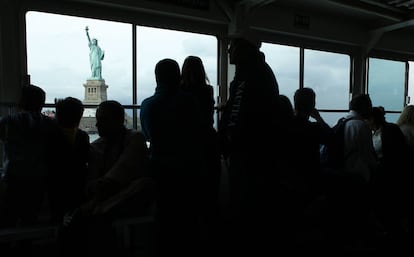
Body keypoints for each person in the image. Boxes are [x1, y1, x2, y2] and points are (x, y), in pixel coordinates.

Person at [59, 100, 153, 257]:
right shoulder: (98, 146)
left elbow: (120, 173)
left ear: (117, 121)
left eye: (102, 120)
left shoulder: (134, 139)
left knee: (142, 185)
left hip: (119, 198)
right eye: (98, 119)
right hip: (107, 200)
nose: (97, 124)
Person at [217, 33, 280, 255]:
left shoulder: (247, 75)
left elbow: (237, 111)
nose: (227, 52)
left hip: (248, 149)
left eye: (231, 49)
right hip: (260, 147)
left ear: (241, 51)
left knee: (245, 198)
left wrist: (227, 138)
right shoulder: (261, 71)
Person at [140, 58, 205, 257]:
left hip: (160, 166)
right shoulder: (189, 102)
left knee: (164, 216)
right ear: (177, 77)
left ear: (157, 77)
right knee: (188, 217)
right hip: (189, 166)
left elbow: (148, 135)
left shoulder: (147, 105)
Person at [0, 84, 60, 254]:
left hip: (13, 175)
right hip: (38, 178)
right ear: (41, 104)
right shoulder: (49, 125)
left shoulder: (8, 121)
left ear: (21, 102)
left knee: (7, 219)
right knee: (30, 220)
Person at [180, 55, 221, 255]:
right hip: (208, 140)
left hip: (188, 144)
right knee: (210, 190)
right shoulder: (207, 90)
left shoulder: (180, 92)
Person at [48, 97, 90, 224]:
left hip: (55, 182)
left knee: (58, 216)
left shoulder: (51, 134)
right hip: (78, 182)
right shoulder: (83, 136)